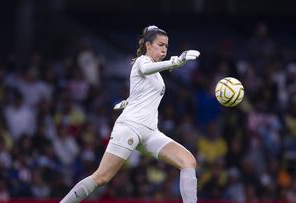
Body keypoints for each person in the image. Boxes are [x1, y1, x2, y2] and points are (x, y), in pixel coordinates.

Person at [60, 25, 200, 203]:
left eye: (166, 45)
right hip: (130, 128)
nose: (164, 49)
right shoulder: (142, 61)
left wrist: (130, 100)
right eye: (160, 44)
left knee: (188, 161)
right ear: (148, 45)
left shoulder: (157, 73)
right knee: (102, 177)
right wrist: (176, 62)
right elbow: (144, 70)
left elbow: (142, 90)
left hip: (150, 133)